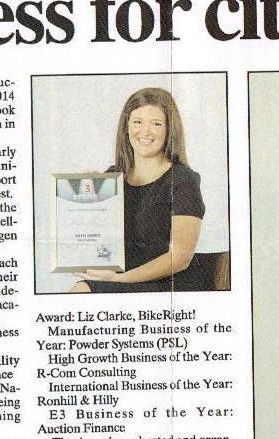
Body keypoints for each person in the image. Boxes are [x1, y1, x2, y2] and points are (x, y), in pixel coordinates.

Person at [71, 87, 206, 293]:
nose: (145, 131)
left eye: (156, 124)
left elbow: (180, 258)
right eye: (137, 122)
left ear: (170, 130)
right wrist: (86, 197)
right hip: (118, 278)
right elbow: (93, 239)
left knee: (82, 291)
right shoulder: (112, 177)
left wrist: (120, 279)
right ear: (126, 127)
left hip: (166, 286)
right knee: (79, 290)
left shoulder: (182, 180)